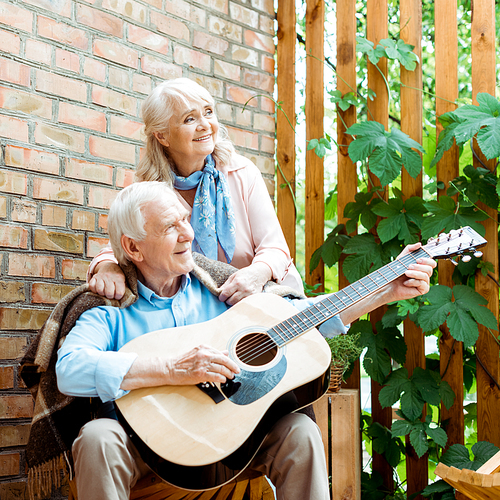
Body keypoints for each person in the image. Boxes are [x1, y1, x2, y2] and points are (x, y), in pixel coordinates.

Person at [56, 182, 436, 500]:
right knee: (97, 438)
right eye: (171, 227)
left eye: (186, 219)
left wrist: (385, 291)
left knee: (300, 432)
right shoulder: (109, 311)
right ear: (133, 247)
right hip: (148, 445)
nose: (188, 234)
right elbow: (69, 369)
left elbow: (303, 317)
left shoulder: (223, 291)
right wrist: (171, 369)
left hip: (235, 436)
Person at [88, 77, 303, 306]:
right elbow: (127, 244)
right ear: (162, 135)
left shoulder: (242, 173)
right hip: (202, 313)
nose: (205, 125)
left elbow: (275, 248)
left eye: (208, 112)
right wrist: (107, 266)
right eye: (190, 118)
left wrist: (256, 274)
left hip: (265, 301)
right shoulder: (147, 190)